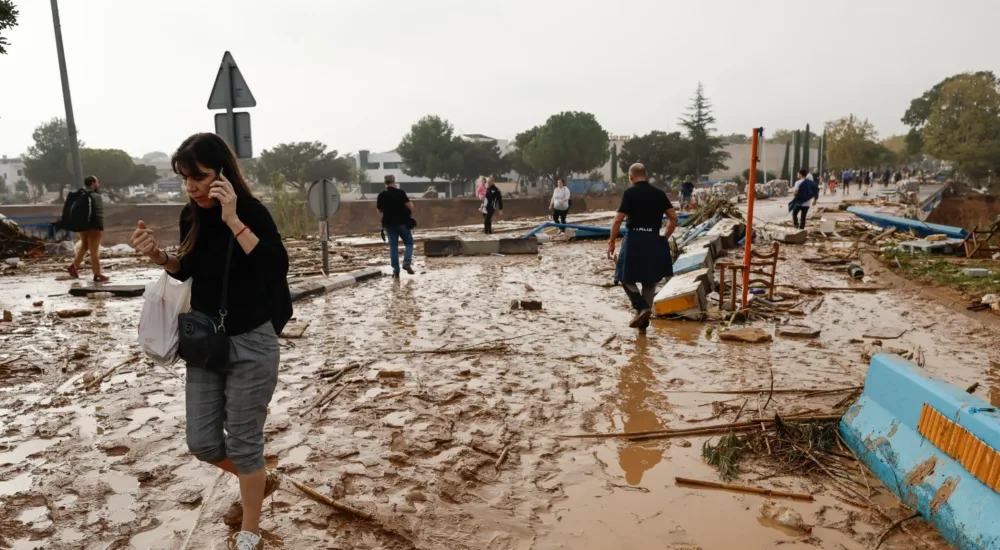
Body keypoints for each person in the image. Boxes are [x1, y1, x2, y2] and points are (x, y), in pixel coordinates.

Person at [129, 132, 292, 550]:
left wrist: (234, 219)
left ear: (223, 173)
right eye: (185, 179)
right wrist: (158, 257)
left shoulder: (252, 211)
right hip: (205, 342)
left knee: (243, 440)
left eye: (198, 177)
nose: (192, 188)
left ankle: (249, 532)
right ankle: (259, 477)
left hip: (253, 342)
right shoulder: (192, 215)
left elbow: (274, 267)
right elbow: (186, 271)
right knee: (202, 442)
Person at [608, 163, 678, 332]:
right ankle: (643, 326)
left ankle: (640, 306)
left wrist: (611, 242)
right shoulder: (659, 194)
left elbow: (618, 220)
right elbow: (673, 218)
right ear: (645, 175)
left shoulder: (629, 193)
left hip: (633, 239)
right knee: (649, 281)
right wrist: (664, 237)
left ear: (631, 178)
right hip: (653, 238)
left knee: (623, 275)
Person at [67, 175, 110, 282]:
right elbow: (98, 213)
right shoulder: (95, 196)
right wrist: (99, 227)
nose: (98, 184)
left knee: (84, 246)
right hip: (93, 226)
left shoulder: (79, 195)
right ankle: (97, 274)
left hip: (81, 226)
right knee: (94, 251)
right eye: (97, 182)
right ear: (93, 183)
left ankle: (74, 266)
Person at [377, 175, 416, 277]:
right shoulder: (400, 192)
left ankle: (396, 271)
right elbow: (410, 206)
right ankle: (406, 263)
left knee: (393, 247)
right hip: (402, 223)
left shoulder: (382, 195)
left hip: (389, 224)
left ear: (385, 183)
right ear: (394, 181)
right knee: (409, 243)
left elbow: (380, 210)